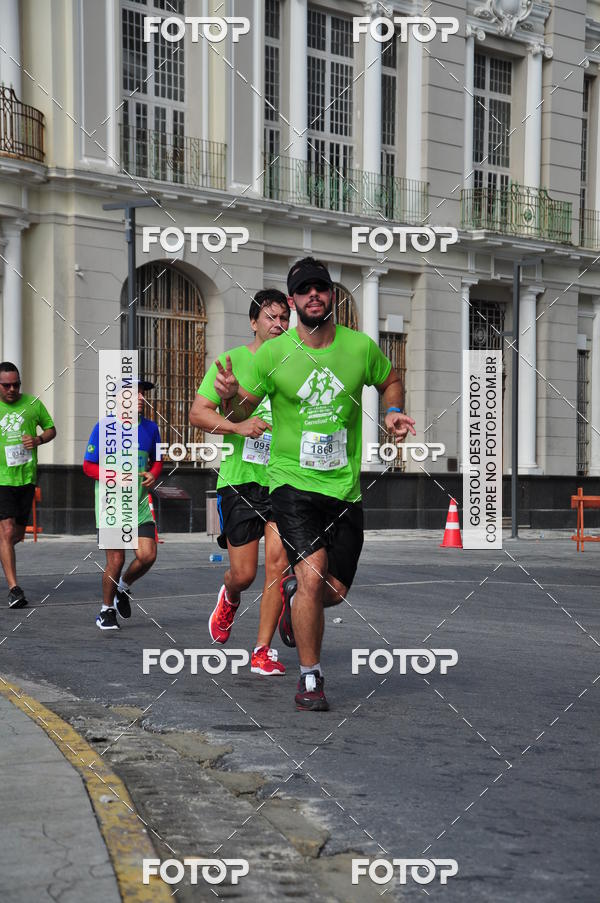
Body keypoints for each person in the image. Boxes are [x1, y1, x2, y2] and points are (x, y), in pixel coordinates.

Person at [214, 258, 416, 710]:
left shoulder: (359, 348)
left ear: (331, 296)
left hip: (343, 489)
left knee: (334, 591)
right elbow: (240, 414)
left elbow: (391, 379)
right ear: (292, 300)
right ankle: (310, 679)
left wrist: (391, 412)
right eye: (303, 290)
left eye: (320, 289)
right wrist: (229, 396)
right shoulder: (273, 353)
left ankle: (294, 603)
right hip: (291, 486)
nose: (313, 296)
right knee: (311, 572)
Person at [189, 290, 291, 675]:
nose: (278, 324)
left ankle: (262, 651)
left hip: (285, 481)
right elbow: (198, 414)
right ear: (253, 322)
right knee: (245, 574)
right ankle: (230, 596)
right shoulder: (233, 362)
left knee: (277, 566)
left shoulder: (299, 363)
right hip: (242, 481)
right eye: (270, 317)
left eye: (284, 317)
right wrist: (236, 426)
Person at [83, 380, 162, 631]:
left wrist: (153, 474)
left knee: (148, 555)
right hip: (111, 506)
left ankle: (123, 588)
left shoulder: (150, 428)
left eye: (142, 394)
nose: (140, 398)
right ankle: (106, 611)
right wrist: (116, 475)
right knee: (115, 560)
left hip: (138, 503)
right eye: (133, 393)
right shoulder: (104, 427)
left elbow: (157, 459)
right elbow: (88, 466)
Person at [0, 362, 56, 608]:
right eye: (6, 385)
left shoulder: (32, 404)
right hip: (1, 479)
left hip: (26, 477)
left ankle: (4, 551)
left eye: (16, 384)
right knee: (7, 531)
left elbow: (51, 429)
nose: (12, 389)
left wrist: (38, 439)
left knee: (17, 535)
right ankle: (14, 589)